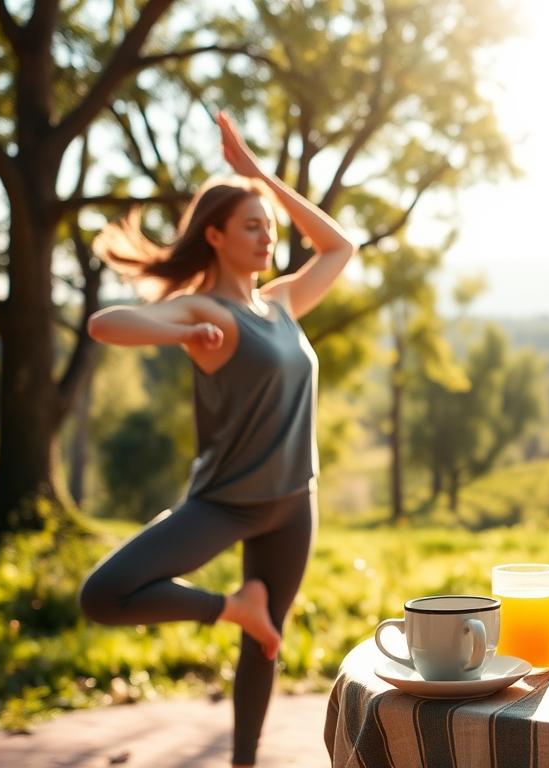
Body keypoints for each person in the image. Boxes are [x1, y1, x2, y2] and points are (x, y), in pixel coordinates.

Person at [78, 112, 355, 767]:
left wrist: (260, 177)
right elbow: (104, 324)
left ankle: (243, 763)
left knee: (266, 642)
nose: (266, 237)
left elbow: (340, 248)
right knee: (104, 594)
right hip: (225, 501)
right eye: (251, 226)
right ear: (216, 235)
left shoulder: (283, 302)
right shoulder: (208, 311)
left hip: (294, 500)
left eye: (269, 227)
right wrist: (177, 334)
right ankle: (232, 606)